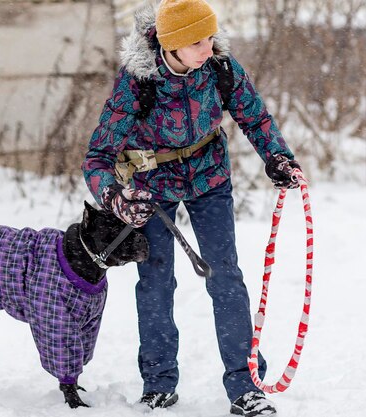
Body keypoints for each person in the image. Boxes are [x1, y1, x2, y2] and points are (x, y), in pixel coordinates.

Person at [82, 1, 302, 416]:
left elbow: (255, 119)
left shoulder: (220, 67)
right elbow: (97, 158)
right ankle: (159, 385)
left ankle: (246, 385)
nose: (209, 46)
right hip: (152, 187)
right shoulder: (137, 82)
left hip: (209, 177)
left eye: (210, 36)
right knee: (156, 281)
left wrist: (278, 158)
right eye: (197, 41)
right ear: (172, 44)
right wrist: (115, 197)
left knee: (225, 276)